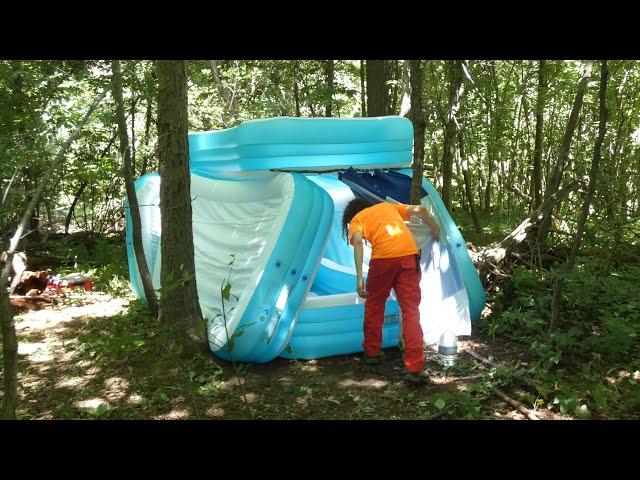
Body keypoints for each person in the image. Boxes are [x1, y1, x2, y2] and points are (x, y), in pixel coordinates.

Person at [341, 197, 440, 385]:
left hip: (382, 261)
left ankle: (372, 353)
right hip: (409, 257)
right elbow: (421, 210)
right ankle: (415, 368)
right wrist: (435, 228)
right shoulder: (387, 207)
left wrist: (359, 279)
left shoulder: (357, 220)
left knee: (374, 306)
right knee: (411, 312)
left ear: (352, 213)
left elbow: (359, 242)